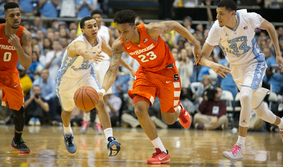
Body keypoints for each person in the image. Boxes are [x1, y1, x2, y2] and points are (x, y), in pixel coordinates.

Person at [98, 9, 202, 164]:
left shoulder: (151, 30)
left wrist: (196, 43)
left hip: (167, 72)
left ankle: (179, 109)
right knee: (139, 108)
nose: (122, 36)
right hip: (145, 73)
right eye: (119, 31)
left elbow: (174, 25)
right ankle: (161, 151)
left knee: (168, 119)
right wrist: (102, 90)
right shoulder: (119, 45)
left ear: (134, 27)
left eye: (125, 31)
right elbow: (112, 70)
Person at [198, 0, 283, 162]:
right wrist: (211, 64)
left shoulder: (249, 17)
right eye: (216, 13)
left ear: (232, 13)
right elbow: (201, 57)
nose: (218, 17)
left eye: (221, 13)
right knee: (259, 111)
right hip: (237, 71)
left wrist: (277, 54)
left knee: (244, 97)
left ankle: (239, 147)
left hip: (254, 64)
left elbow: (270, 26)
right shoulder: (216, 28)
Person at [56, 16, 135, 155]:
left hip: (86, 75)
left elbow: (114, 55)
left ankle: (110, 138)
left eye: (95, 25)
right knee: (67, 110)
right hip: (67, 79)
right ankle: (67, 132)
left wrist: (130, 68)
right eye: (90, 26)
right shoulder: (77, 43)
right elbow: (84, 53)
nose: (94, 28)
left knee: (100, 100)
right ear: (82, 30)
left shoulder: (100, 40)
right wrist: (91, 54)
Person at [0, 2, 32, 153]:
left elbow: (26, 65)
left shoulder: (24, 34)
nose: (16, 18)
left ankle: (17, 141)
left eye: (18, 14)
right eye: (12, 15)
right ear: (5, 17)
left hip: (10, 73)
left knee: (19, 109)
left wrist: (17, 46)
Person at [80, 10, 115, 135]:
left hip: (104, 62)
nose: (97, 19)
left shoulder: (107, 30)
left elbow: (112, 48)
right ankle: (85, 121)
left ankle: (99, 123)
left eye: (99, 17)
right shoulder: (87, 31)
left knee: (102, 94)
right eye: (95, 17)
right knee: (87, 93)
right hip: (91, 63)